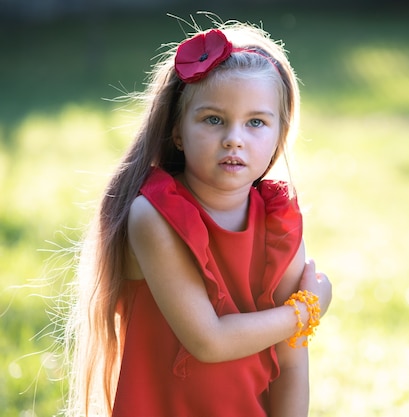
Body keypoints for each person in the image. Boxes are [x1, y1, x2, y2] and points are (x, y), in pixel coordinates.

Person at [64, 18, 332, 417]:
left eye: (256, 122)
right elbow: (209, 341)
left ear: (279, 132)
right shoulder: (154, 215)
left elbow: (291, 364)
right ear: (177, 132)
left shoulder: (280, 223)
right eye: (213, 119)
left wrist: (296, 321)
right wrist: (305, 312)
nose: (234, 138)